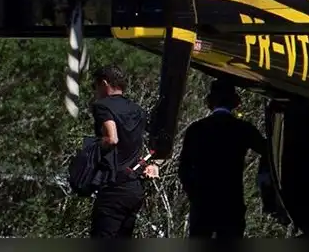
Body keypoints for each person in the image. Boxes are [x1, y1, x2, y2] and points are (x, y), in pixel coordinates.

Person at [178, 79, 267, 238]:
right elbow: (267, 150)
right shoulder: (243, 129)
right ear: (234, 102)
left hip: (202, 202)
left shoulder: (196, 129)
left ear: (210, 102)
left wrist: (193, 193)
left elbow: (183, 168)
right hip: (231, 201)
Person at [89, 65, 158, 238]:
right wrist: (154, 164)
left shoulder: (102, 106)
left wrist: (93, 146)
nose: (95, 91)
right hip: (134, 187)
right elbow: (157, 139)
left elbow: (112, 138)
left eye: (94, 86)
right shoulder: (138, 110)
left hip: (114, 185)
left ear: (104, 83)